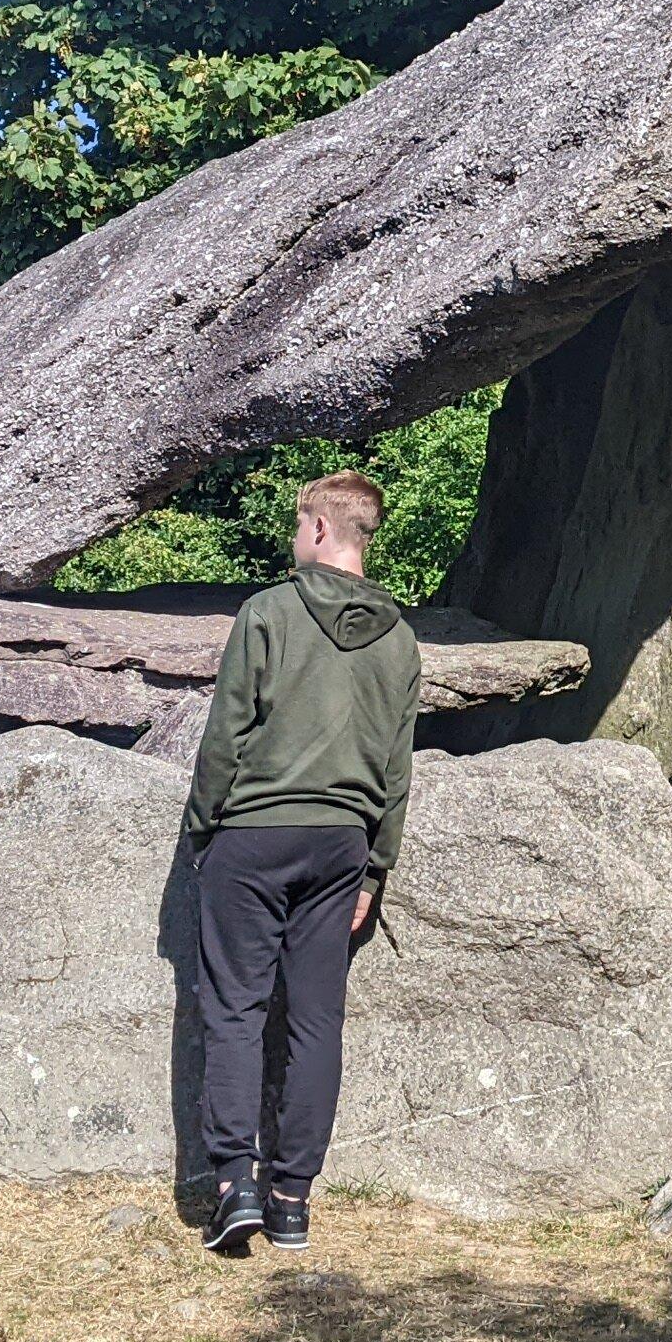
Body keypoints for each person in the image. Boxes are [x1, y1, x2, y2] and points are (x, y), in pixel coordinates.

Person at [182, 468, 419, 1253]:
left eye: (296, 528)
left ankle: (233, 1186)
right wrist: (375, 867)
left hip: (252, 833)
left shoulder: (268, 613)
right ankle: (291, 1201)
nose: (294, 542)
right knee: (317, 1019)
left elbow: (226, 738)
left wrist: (201, 832)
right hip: (340, 844)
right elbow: (395, 766)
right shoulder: (400, 638)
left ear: (320, 529)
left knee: (236, 1010)